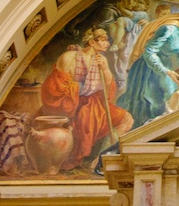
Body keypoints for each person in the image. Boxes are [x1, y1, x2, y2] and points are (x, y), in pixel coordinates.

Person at [39, 28, 133, 170]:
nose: (107, 43)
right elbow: (56, 87)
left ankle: (101, 157)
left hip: (96, 103)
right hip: (71, 104)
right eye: (104, 40)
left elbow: (108, 92)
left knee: (127, 119)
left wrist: (106, 69)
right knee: (86, 117)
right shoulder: (69, 57)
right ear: (92, 42)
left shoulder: (101, 60)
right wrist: (84, 88)